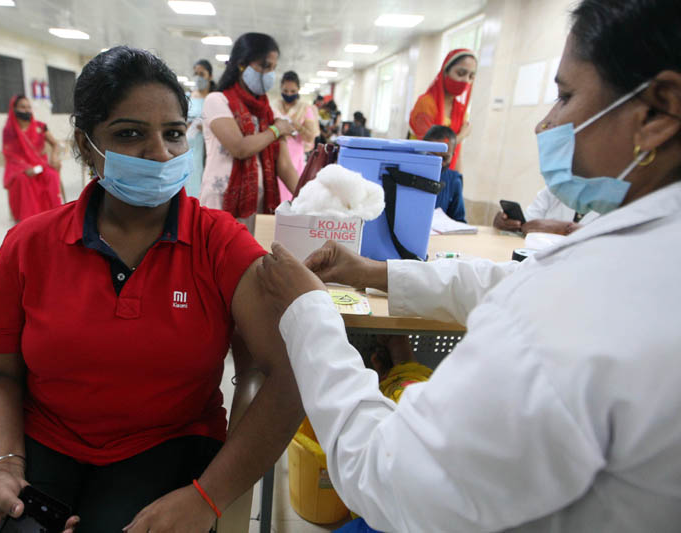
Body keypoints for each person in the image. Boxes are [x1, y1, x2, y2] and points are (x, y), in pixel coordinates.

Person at [256, 0, 681, 530]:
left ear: (657, 112)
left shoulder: (581, 307)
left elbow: (387, 476)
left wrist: (309, 313)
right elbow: (515, 280)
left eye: (566, 96)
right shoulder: (643, 252)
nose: (547, 123)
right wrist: (373, 272)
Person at [0, 46, 303, 533]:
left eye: (173, 133)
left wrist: (207, 498)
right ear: (86, 145)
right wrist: (0, 465)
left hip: (168, 443)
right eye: (130, 133)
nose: (160, 153)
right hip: (41, 438)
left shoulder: (219, 244)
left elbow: (287, 375)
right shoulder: (31, 244)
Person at [199, 33, 299, 233]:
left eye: (273, 68)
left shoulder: (269, 112)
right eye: (265, 66)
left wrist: (312, 199)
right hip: (220, 203)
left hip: (257, 209)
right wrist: (276, 129)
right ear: (241, 64)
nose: (269, 74)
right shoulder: (217, 101)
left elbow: (285, 165)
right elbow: (239, 148)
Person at [408, 49, 476, 170]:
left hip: (446, 171)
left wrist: (458, 177)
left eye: (471, 76)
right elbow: (431, 148)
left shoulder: (460, 110)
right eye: (461, 73)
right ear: (445, 72)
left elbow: (457, 153)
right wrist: (462, 135)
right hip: (419, 170)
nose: (466, 80)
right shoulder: (426, 104)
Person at [2, 95, 63, 223]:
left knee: (51, 175)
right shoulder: (9, 131)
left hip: (40, 165)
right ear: (14, 109)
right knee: (22, 179)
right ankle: (28, 218)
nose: (27, 110)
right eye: (23, 107)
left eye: (29, 107)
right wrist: (25, 168)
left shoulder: (40, 126)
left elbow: (55, 144)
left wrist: (54, 157)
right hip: (19, 168)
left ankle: (53, 213)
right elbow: (10, 155)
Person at [272, 71, 318, 202]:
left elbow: (310, 137)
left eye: (292, 91)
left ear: (298, 89)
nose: (288, 94)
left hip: (294, 154)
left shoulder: (305, 108)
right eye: (285, 91)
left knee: (291, 188)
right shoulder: (274, 105)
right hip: (275, 150)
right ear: (281, 89)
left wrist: (298, 126)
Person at [493, 186, 594, 235]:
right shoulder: (553, 191)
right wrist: (508, 225)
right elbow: (527, 226)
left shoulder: (604, 209)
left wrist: (565, 229)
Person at [423, 125, 466, 222]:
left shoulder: (454, 181)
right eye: (433, 156)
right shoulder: (406, 173)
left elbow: (459, 221)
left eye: (445, 158)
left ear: (452, 156)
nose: (439, 163)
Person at [186, 59, 216, 198]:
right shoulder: (187, 98)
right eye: (196, 74)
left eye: (202, 74)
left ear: (210, 76)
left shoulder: (215, 99)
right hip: (190, 145)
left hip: (208, 146)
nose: (198, 78)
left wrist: (205, 126)